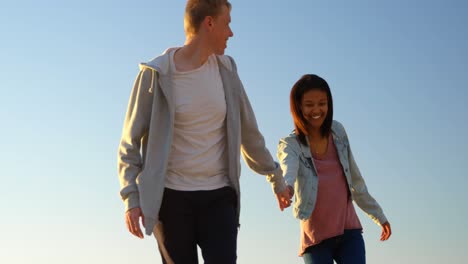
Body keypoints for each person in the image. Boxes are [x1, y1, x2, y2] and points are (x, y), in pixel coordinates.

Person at [117, 1, 291, 263]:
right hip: (171, 200)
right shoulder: (156, 73)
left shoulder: (227, 71)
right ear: (209, 23)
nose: (230, 33)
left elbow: (249, 134)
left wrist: (276, 177)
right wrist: (131, 197)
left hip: (219, 198)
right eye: (227, 23)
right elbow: (129, 143)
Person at [277, 74, 392, 264]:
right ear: (298, 107)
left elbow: (355, 180)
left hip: (349, 233)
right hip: (316, 237)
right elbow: (288, 167)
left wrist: (378, 215)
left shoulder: (337, 132)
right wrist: (286, 187)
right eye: (309, 104)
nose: (316, 110)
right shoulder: (291, 144)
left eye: (322, 103)